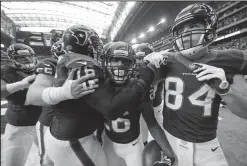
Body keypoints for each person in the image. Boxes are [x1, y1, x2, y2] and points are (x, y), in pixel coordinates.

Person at [143, 3, 247, 166]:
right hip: (170, 139)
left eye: (193, 25)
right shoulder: (165, 60)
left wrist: (225, 90)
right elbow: (139, 88)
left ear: (210, 27)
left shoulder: (229, 59)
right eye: (181, 30)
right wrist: (146, 65)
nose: (185, 34)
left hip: (206, 147)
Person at [101, 41, 175, 166]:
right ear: (106, 62)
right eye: (115, 60)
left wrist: (170, 153)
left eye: (125, 61)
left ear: (132, 64)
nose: (120, 65)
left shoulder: (139, 87)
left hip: (132, 146)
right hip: (109, 144)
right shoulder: (101, 85)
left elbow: (152, 125)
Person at [1, 43, 41, 166]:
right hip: (19, 125)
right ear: (12, 58)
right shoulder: (6, 72)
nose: (27, 60)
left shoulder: (40, 68)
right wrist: (21, 85)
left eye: (29, 57)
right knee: (12, 163)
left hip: (43, 123)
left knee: (49, 160)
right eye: (22, 58)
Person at [34, 39, 66, 166]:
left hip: (66, 122)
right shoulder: (49, 65)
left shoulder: (75, 66)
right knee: (47, 159)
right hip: (49, 120)